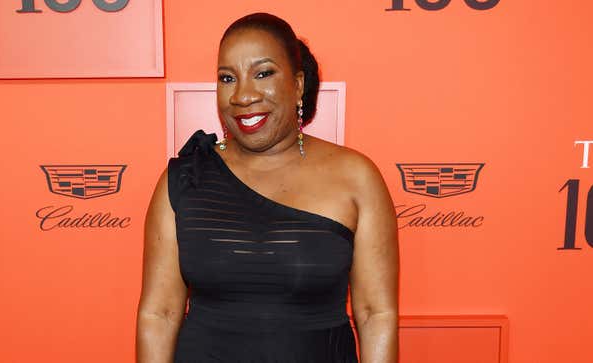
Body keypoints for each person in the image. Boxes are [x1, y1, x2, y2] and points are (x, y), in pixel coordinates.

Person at [136, 12, 399, 363]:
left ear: (298, 83)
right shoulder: (184, 179)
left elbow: (374, 314)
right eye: (228, 78)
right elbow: (160, 314)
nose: (243, 95)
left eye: (263, 73)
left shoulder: (356, 177)